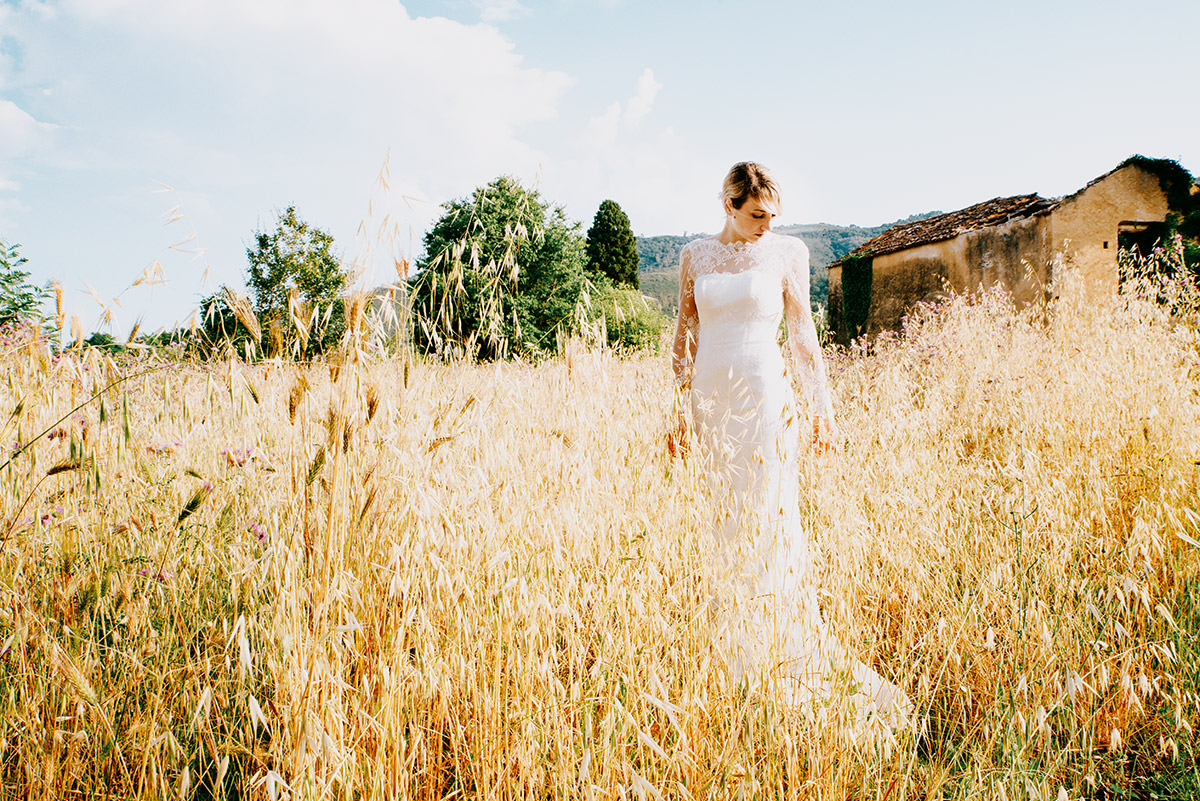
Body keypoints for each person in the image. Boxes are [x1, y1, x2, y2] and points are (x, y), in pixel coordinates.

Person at [670, 162, 910, 730]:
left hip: (766, 399)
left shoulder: (788, 253)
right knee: (723, 521)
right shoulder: (695, 256)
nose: (765, 226)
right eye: (756, 215)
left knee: (771, 517)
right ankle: (731, 643)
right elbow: (685, 335)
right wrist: (676, 409)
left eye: (773, 216)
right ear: (729, 206)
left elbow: (803, 335)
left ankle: (780, 647)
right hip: (710, 403)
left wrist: (821, 403)